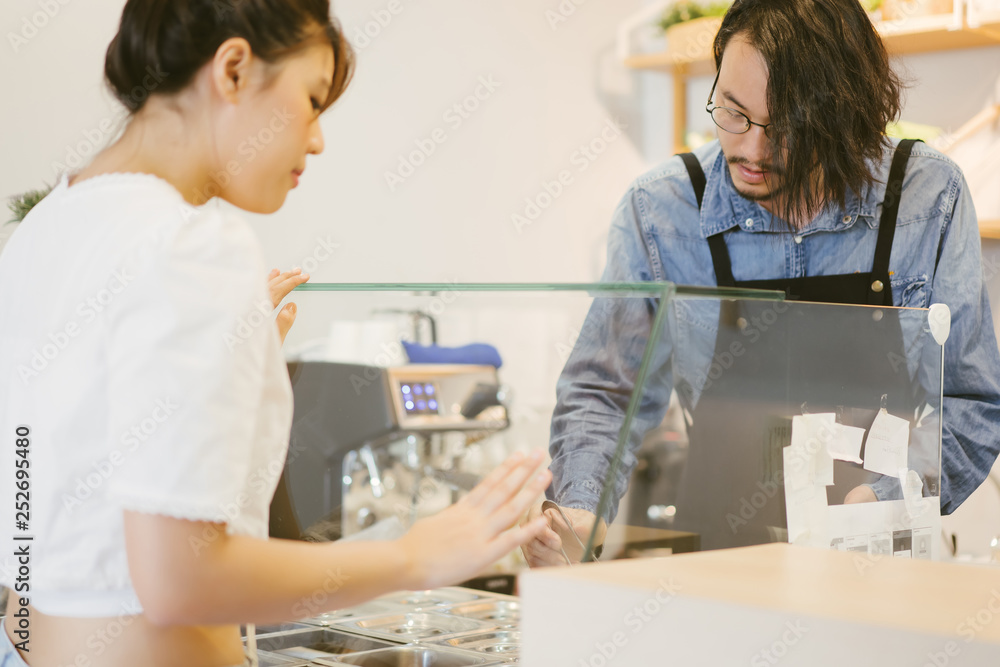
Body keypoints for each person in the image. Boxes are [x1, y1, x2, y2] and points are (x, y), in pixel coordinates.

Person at [0, 1, 551, 665]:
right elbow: (182, 580)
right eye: (313, 100)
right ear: (232, 69)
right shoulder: (191, 242)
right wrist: (414, 554)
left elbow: (37, 541)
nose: (317, 139)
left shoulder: (48, 226)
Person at [523, 0, 1000, 566]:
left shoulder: (925, 196)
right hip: (716, 569)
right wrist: (579, 516)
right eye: (732, 112)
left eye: (787, 128)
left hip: (878, 565)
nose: (750, 150)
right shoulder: (661, 212)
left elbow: (970, 400)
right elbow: (606, 393)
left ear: (847, 117)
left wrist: (877, 504)